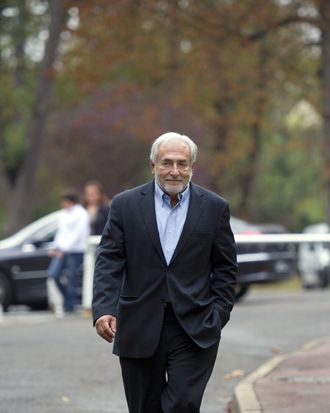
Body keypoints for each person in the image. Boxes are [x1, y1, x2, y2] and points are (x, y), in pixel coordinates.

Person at [92, 132, 237, 413]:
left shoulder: (214, 208)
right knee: (144, 407)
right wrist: (103, 309)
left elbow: (225, 267)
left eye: (182, 163)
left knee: (182, 404)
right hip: (138, 324)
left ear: (192, 167)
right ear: (152, 165)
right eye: (166, 163)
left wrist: (218, 314)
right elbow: (109, 259)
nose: (174, 171)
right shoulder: (125, 205)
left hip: (196, 326)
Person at [47, 190, 90, 315]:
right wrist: (56, 247)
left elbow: (78, 234)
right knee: (53, 274)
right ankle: (67, 299)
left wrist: (64, 249)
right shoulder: (64, 214)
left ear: (71, 201)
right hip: (62, 250)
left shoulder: (81, 214)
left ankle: (70, 306)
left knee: (72, 278)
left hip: (75, 251)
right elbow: (61, 232)